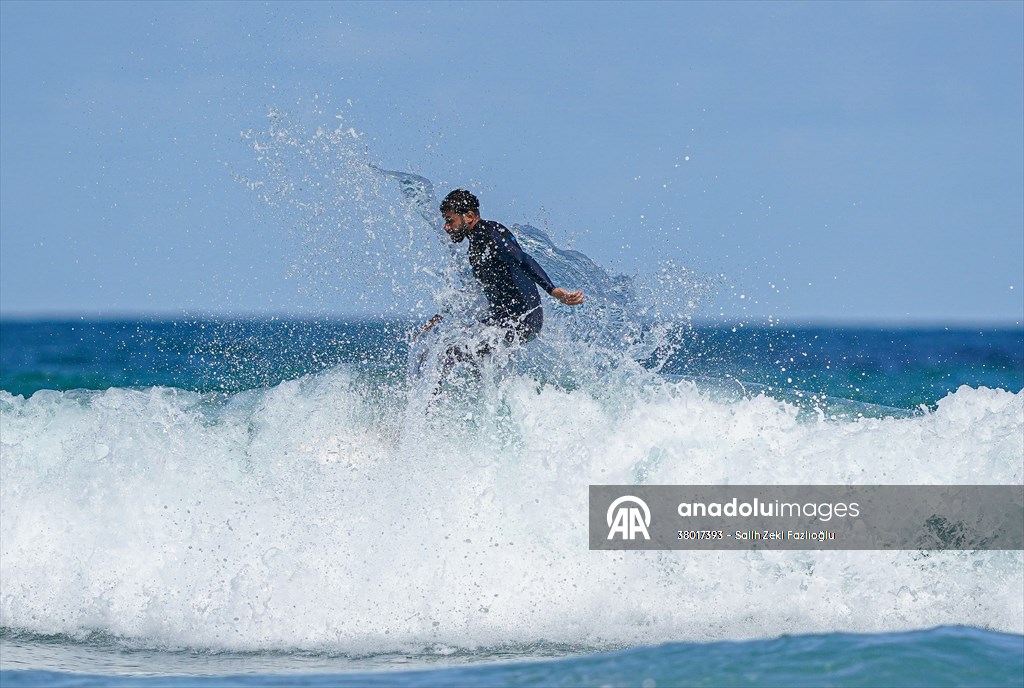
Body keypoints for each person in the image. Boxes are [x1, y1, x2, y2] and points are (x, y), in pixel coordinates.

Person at [419, 189, 585, 362]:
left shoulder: (488, 236)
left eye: (450, 221)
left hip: (519, 322)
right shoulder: (483, 236)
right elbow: (474, 291)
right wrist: (440, 316)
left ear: (468, 216)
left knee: (447, 354)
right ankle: (488, 389)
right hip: (506, 320)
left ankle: (434, 391)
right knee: (447, 348)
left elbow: (522, 259)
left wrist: (552, 290)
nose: (446, 227)